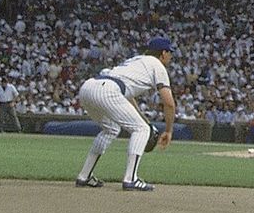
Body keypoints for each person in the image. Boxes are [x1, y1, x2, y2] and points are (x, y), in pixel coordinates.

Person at [72, 36, 177, 191]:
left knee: (111, 129)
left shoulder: (136, 60)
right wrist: (168, 130)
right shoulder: (157, 65)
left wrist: (143, 118)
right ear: (163, 53)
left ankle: (84, 176)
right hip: (108, 90)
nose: (171, 56)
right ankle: (131, 179)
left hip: (88, 87)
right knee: (141, 130)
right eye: (170, 52)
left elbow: (127, 95)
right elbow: (169, 103)